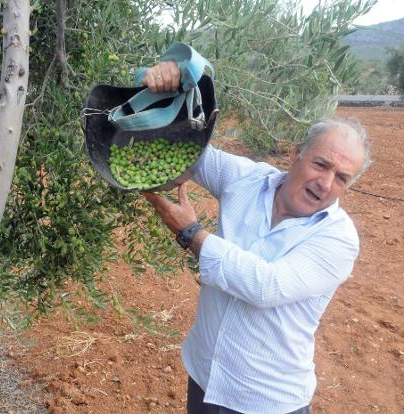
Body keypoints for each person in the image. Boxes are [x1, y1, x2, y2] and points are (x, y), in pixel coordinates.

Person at [141, 61, 371, 414]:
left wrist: (191, 233)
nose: (326, 184)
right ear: (297, 154)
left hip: (266, 400)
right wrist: (172, 82)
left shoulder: (338, 239)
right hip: (205, 378)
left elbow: (266, 286)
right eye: (321, 165)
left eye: (342, 178)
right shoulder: (247, 179)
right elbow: (191, 151)